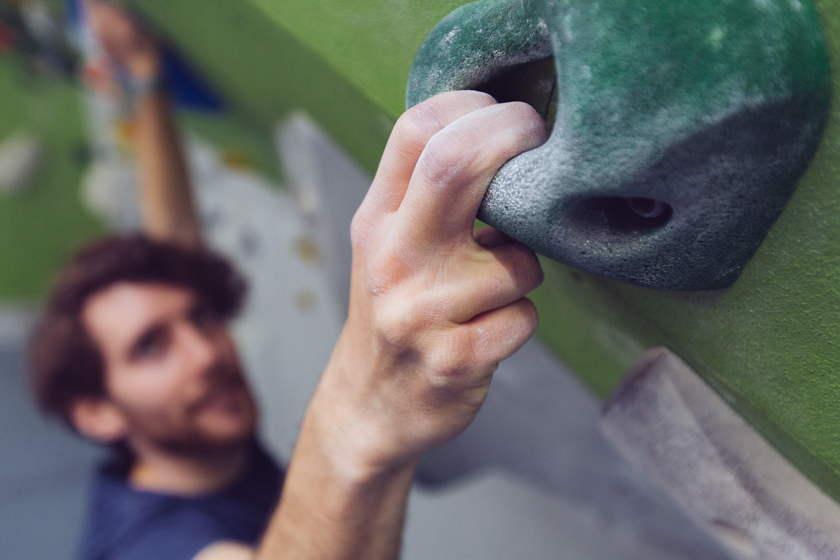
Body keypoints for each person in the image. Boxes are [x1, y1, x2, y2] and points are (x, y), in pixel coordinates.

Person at [28, 2, 547, 559]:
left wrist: (145, 72)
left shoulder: (194, 439)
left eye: (200, 319)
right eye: (150, 348)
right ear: (96, 413)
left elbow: (173, 239)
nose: (206, 353)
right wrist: (365, 405)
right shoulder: (150, 544)